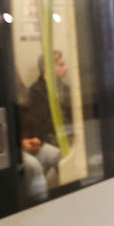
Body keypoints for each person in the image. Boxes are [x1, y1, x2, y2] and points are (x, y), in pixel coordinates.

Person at [21, 50, 73, 202]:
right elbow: (36, 123)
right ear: (49, 68)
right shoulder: (36, 92)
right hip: (46, 139)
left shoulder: (64, 89)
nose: (66, 68)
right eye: (61, 64)